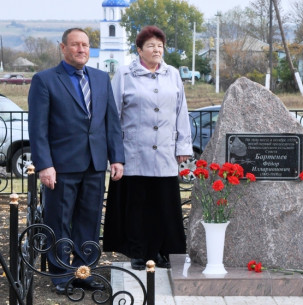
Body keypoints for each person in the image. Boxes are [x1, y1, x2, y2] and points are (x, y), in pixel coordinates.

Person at [28, 28, 125, 294]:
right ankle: (61, 275)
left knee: (90, 220)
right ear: (63, 47)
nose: (81, 49)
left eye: (85, 45)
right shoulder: (45, 80)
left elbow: (111, 123)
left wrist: (116, 157)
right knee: (58, 220)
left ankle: (84, 272)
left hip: (95, 165)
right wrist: (44, 164)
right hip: (60, 167)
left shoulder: (101, 78)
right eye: (75, 45)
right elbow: (38, 128)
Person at [102, 25, 193, 271]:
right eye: (151, 46)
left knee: (163, 205)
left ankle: (162, 252)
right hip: (134, 151)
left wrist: (183, 144)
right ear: (139, 50)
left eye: (160, 46)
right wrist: (114, 154)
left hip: (164, 151)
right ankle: (138, 252)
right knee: (137, 205)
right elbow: (113, 115)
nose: (156, 50)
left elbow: (180, 111)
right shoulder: (125, 74)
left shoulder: (172, 73)